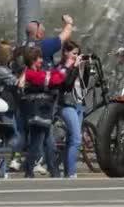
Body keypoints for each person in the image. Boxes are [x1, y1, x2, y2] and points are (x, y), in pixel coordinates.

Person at [22, 47, 75, 178]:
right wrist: (67, 67)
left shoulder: (39, 72)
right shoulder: (30, 74)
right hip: (37, 114)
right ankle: (28, 170)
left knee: (49, 144)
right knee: (36, 144)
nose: (41, 60)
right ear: (33, 60)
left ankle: (54, 171)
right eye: (39, 58)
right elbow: (54, 80)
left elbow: (53, 74)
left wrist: (66, 66)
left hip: (44, 114)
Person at [0, 40, 24, 179]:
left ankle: (3, 170)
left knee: (9, 137)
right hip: (2, 107)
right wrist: (27, 70)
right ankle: (2, 170)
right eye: (10, 53)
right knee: (12, 137)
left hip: (9, 106)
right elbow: (17, 83)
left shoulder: (5, 67)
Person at [57, 41, 87, 178]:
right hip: (66, 104)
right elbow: (67, 85)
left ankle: (68, 171)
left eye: (78, 54)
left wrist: (83, 67)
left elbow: (84, 84)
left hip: (78, 104)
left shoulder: (77, 67)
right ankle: (71, 173)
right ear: (65, 53)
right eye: (74, 53)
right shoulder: (62, 67)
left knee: (71, 139)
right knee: (76, 138)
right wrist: (73, 67)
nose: (76, 56)